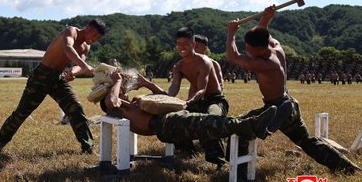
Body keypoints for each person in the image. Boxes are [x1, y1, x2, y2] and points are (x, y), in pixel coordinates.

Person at [226, 5, 361, 175]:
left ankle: (241, 172)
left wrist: (231, 32)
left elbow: (233, 56)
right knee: (306, 142)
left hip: (275, 108)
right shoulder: (276, 48)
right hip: (288, 103)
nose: (246, 50)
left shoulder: (264, 64)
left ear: (260, 49)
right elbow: (263, 32)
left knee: (241, 127)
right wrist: (267, 17)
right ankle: (344, 166)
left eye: (249, 48)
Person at [0, 19, 106, 154]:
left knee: (75, 108)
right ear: (88, 28)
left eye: (98, 38)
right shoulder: (71, 31)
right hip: (41, 76)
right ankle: (1, 142)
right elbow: (68, 48)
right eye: (94, 35)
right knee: (22, 112)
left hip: (58, 78)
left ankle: (88, 147)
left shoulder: (86, 47)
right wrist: (83, 66)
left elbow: (79, 63)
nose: (94, 39)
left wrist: (73, 71)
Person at [100, 71, 277, 150]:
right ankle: (251, 124)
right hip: (163, 124)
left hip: (170, 119)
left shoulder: (134, 104)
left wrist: (146, 83)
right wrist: (115, 81)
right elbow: (112, 100)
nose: (123, 92)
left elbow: (163, 96)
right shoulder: (117, 108)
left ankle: (252, 120)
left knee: (208, 122)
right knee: (205, 123)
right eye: (120, 92)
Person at [166, 27, 229, 167]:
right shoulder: (178, 66)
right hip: (197, 100)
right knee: (174, 117)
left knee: (212, 119)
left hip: (214, 99)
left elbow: (201, 89)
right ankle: (186, 150)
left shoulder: (205, 62)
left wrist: (188, 102)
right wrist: (166, 100)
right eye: (179, 43)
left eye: (185, 44)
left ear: (193, 44)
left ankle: (218, 160)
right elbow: (174, 87)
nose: (181, 47)